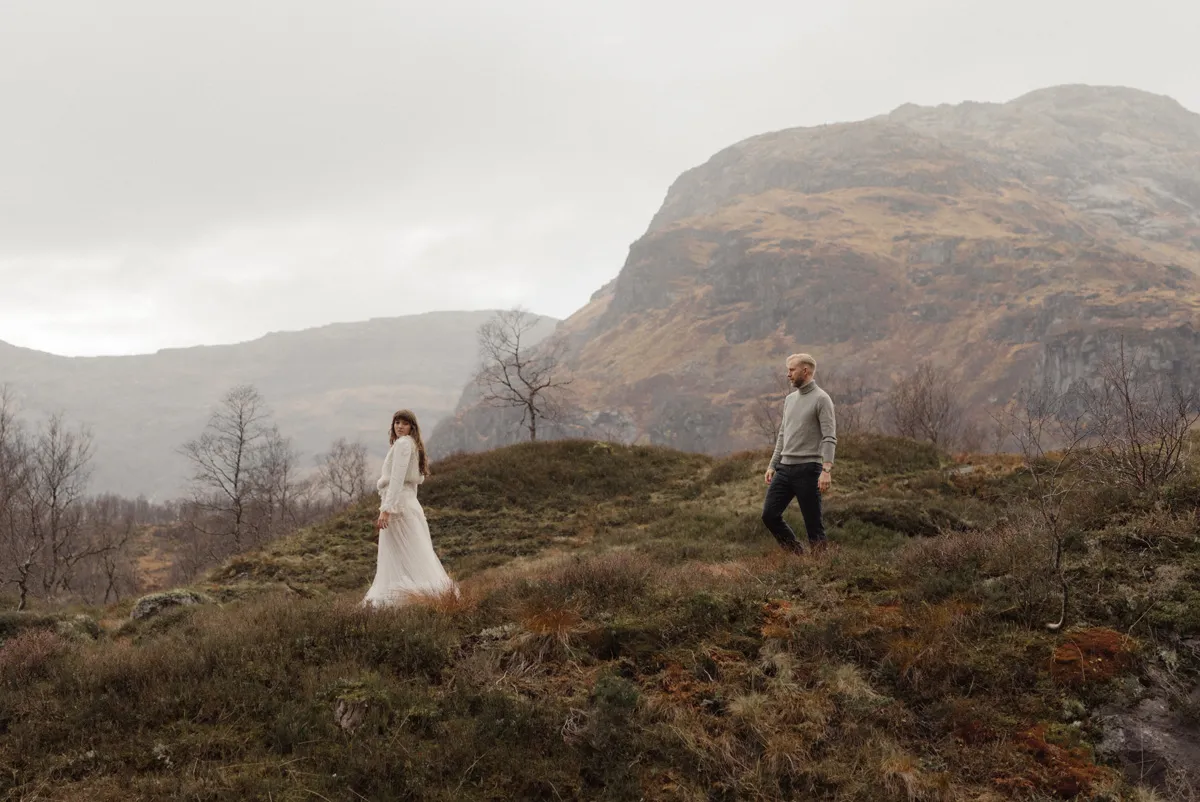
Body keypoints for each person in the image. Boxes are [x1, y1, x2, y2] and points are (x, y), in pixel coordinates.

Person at [362, 409, 458, 607]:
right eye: (397, 422)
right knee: (413, 552)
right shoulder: (412, 445)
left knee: (399, 555)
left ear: (411, 427)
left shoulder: (404, 444)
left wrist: (386, 509)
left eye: (404, 423)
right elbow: (413, 482)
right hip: (408, 504)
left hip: (398, 507)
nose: (399, 426)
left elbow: (397, 479)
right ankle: (428, 597)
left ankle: (408, 599)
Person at [761, 353, 837, 554]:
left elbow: (829, 437)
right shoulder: (789, 400)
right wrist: (772, 464)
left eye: (792, 370)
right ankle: (798, 555)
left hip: (809, 470)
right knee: (769, 515)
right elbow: (783, 434)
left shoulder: (822, 399)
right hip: (784, 469)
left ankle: (824, 572)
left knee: (813, 526)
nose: (788, 375)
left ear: (806, 371)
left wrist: (826, 469)